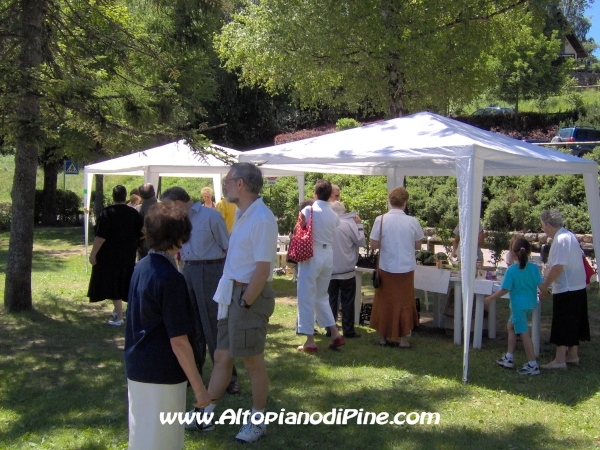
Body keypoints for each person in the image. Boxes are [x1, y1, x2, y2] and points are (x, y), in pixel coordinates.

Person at [188, 162, 278, 443]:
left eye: (227, 180)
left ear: (240, 183)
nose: (224, 185)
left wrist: (246, 301)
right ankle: (206, 412)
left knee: (252, 361)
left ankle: (258, 421)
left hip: (246, 296)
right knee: (222, 356)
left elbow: (263, 269)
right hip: (233, 294)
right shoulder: (243, 214)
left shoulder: (262, 218)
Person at [125, 202, 210, 450]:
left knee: (141, 438)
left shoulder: (140, 268)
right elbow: (179, 341)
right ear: (178, 237)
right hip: (162, 373)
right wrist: (200, 389)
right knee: (164, 442)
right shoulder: (170, 278)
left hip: (138, 366)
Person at [160, 187, 240, 397]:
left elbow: (227, 247)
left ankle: (227, 378)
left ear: (178, 201)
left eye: (168, 205)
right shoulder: (177, 221)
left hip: (211, 269)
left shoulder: (211, 216)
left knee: (214, 324)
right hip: (188, 269)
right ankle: (192, 373)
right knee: (190, 324)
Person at [369, 186, 423, 348]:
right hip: (406, 267)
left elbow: (373, 244)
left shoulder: (381, 219)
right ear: (405, 203)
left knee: (385, 302)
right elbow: (418, 245)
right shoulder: (413, 221)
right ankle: (403, 339)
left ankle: (383, 337)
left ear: (390, 201)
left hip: (386, 266)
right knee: (405, 302)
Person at [296, 180, 344, 352]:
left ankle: (310, 340)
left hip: (311, 254)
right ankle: (334, 332)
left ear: (315, 194)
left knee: (306, 295)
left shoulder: (308, 210)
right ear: (329, 194)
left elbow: (299, 229)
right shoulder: (333, 214)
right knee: (321, 296)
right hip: (327, 255)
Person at [538, 210, 590, 369]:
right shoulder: (568, 235)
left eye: (542, 226)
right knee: (573, 322)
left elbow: (557, 268)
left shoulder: (560, 240)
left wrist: (545, 286)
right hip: (577, 286)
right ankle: (572, 355)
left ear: (548, 225)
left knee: (563, 322)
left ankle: (560, 359)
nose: (542, 229)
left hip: (567, 288)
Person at [484, 238, 543, 375]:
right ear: (529, 253)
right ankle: (509, 357)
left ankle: (532, 364)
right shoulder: (534, 268)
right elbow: (541, 286)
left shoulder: (511, 270)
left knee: (524, 333)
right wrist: (544, 293)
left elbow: (505, 289)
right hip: (530, 305)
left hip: (518, 307)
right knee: (511, 326)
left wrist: (491, 298)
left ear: (512, 253)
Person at [88, 185, 143, 326]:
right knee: (125, 282)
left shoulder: (107, 213)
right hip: (128, 255)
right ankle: (117, 311)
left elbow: (100, 237)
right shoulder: (133, 213)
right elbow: (143, 232)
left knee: (115, 285)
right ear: (125, 196)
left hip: (110, 256)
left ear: (113, 196)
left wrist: (93, 254)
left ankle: (119, 317)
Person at [327, 201, 365, 338]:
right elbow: (361, 241)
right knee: (347, 300)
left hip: (330, 268)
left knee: (331, 300)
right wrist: (359, 225)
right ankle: (348, 329)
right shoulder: (349, 224)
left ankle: (330, 328)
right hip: (346, 268)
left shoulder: (328, 224)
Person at [136, 183, 158, 259]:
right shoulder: (164, 207)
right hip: (161, 243)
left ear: (140, 196)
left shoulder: (138, 209)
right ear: (154, 193)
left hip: (144, 244)